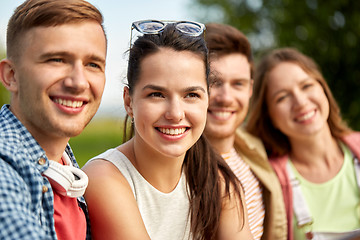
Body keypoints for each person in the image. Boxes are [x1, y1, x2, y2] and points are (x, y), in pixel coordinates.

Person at [82, 20, 253, 240]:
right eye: (157, 94)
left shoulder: (217, 179)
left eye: (191, 95)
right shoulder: (104, 177)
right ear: (129, 101)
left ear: (207, 100)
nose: (175, 113)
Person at [0, 0, 107, 239]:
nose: (79, 82)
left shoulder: (62, 163)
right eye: (57, 59)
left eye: (93, 64)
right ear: (11, 76)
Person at [246, 47, 360, 240]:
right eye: (282, 97)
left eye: (306, 86)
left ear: (323, 88)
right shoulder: (267, 182)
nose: (300, 102)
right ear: (269, 116)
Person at [203, 23, 287, 240]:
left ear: (250, 89)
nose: (226, 97)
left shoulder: (253, 148)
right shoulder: (175, 167)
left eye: (237, 84)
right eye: (214, 82)